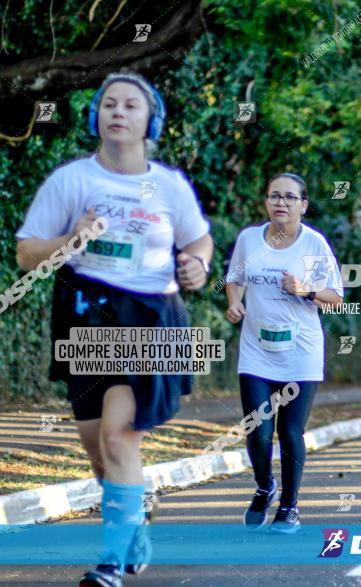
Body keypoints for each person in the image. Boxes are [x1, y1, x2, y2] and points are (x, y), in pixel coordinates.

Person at [16, 72, 213, 587]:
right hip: (86, 314)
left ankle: (112, 560)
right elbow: (25, 253)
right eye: (109, 104)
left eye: (131, 105)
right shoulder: (72, 181)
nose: (118, 112)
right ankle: (134, 525)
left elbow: (199, 244)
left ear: (151, 121)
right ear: (95, 116)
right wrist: (69, 238)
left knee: (119, 436)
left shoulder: (169, 185)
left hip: (152, 318)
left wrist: (197, 266)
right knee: (98, 449)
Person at [226, 173, 343, 533]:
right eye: (275, 196)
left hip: (300, 353)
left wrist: (306, 289)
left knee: (290, 431)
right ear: (266, 202)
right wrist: (234, 303)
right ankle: (265, 486)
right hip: (257, 350)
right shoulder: (249, 239)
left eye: (290, 198)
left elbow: (336, 299)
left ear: (303, 206)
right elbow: (235, 279)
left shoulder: (315, 245)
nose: (281, 203)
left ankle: (290, 507)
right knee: (258, 429)